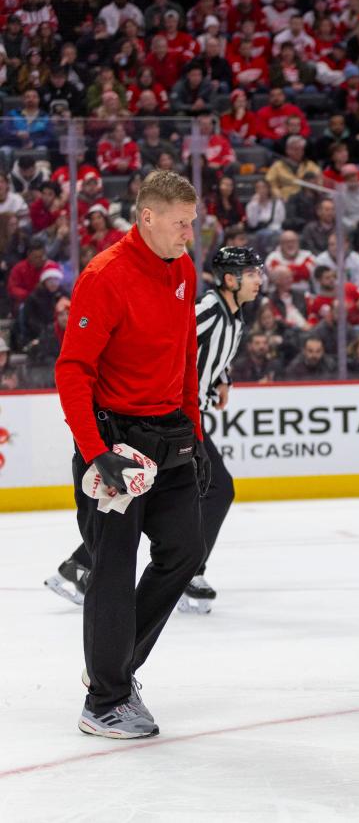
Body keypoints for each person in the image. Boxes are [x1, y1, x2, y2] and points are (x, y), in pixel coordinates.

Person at [53, 171, 207, 739]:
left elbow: (186, 354)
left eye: (192, 223)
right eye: (181, 223)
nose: (190, 234)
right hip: (114, 446)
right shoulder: (105, 276)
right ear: (147, 217)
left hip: (170, 439)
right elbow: (71, 370)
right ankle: (106, 698)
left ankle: (116, 668)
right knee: (113, 569)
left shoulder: (183, 268)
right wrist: (95, 454)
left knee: (186, 552)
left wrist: (195, 431)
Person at [47, 247, 265, 615]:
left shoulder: (235, 316)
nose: (260, 279)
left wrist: (222, 378)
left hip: (183, 417)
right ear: (230, 279)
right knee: (214, 487)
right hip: (168, 417)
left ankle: (77, 568)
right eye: (252, 272)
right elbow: (174, 343)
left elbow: (207, 356)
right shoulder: (208, 311)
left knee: (151, 492)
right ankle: (188, 572)